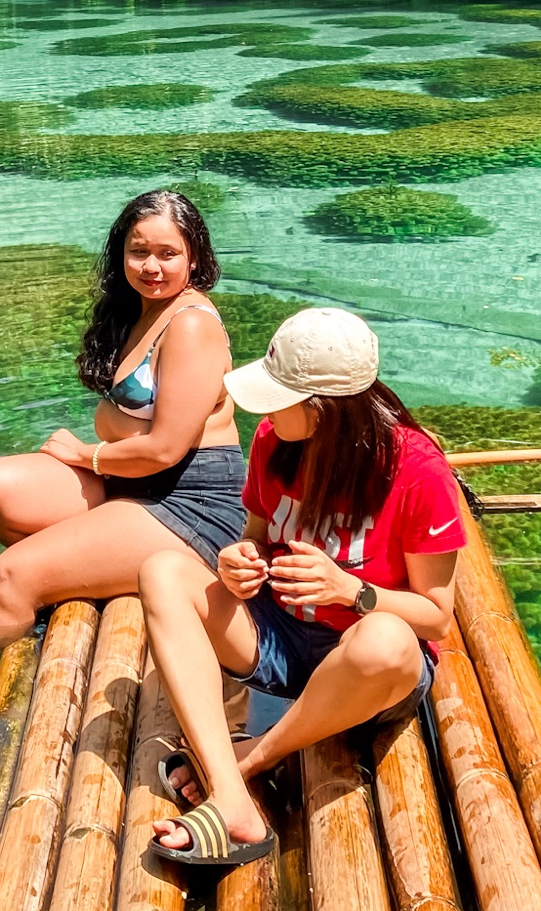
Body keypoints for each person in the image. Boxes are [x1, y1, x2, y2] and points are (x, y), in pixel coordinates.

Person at [0, 189, 245, 711]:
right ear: (121, 253)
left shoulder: (192, 325)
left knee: (11, 573)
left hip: (188, 503)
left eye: (168, 253)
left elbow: (164, 449)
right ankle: (70, 579)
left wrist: (85, 455)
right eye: (139, 251)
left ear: (195, 257)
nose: (151, 267)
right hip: (130, 484)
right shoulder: (140, 310)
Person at [140, 307, 465, 866]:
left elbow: (436, 618)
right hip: (283, 636)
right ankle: (234, 799)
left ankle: (251, 759)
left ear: (322, 410)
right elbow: (256, 536)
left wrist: (350, 590)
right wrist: (240, 561)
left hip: (363, 673)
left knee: (385, 638)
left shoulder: (418, 472)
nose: (262, 411)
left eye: (276, 398)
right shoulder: (275, 440)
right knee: (162, 571)